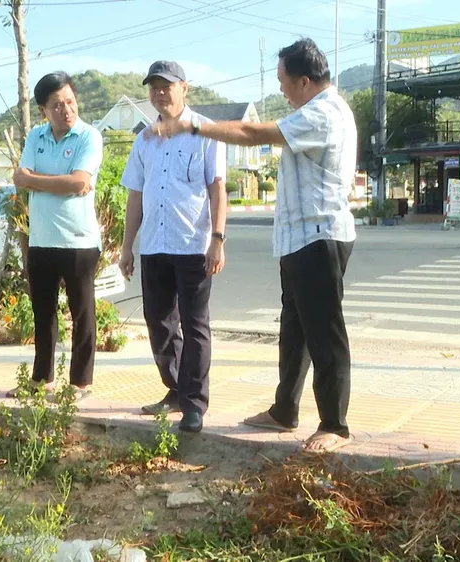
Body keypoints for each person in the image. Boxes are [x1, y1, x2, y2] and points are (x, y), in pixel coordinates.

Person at [145, 38, 357, 452]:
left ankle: (335, 424)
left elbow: (249, 131)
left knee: (324, 332)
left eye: (282, 81)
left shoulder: (323, 113)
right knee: (294, 330)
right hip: (300, 240)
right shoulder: (311, 111)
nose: (280, 90)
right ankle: (285, 410)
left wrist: (194, 125)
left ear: (304, 80)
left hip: (320, 238)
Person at [119, 60, 228, 433]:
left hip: (193, 245)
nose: (159, 93)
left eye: (166, 86)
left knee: (195, 325)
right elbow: (135, 195)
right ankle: (176, 389)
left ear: (185, 88)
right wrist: (126, 247)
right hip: (154, 245)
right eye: (153, 87)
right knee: (159, 323)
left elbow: (217, 188)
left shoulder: (206, 133)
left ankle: (194, 403)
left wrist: (217, 239)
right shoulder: (144, 139)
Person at [8, 72, 104, 401]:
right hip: (41, 241)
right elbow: (20, 178)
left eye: (70, 102)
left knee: (82, 313)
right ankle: (41, 379)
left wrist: (38, 179)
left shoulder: (89, 137)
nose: (66, 109)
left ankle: (80, 383)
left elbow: (79, 183)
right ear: (43, 110)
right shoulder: (36, 136)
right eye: (57, 105)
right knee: (43, 313)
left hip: (79, 241)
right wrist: (57, 181)